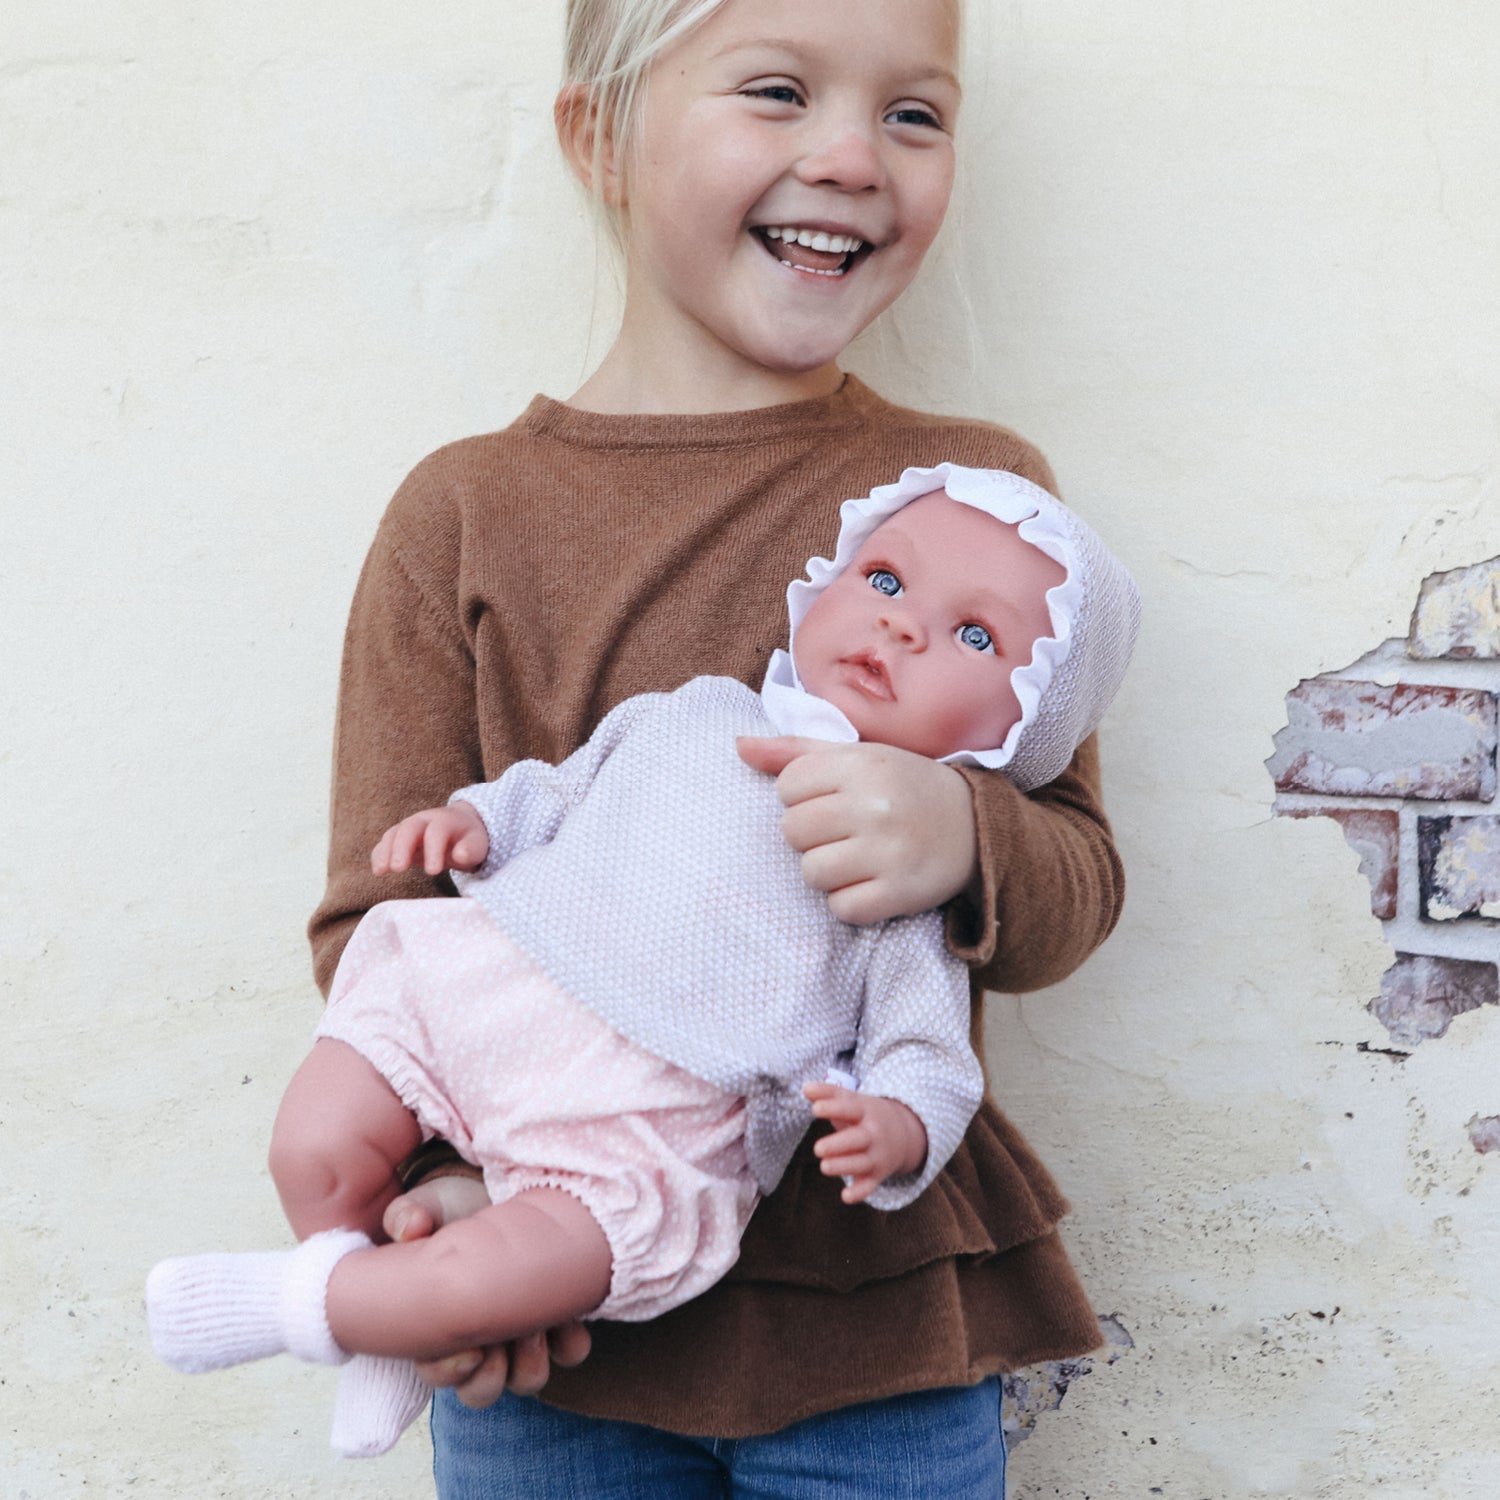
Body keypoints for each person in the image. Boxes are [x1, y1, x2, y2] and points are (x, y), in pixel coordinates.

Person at [167, 0, 1131, 1489]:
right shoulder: (465, 513)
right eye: (777, 89)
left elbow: (1073, 882)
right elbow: (383, 918)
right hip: (552, 1331)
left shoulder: (976, 506)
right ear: (599, 138)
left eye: (913, 114)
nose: (852, 158)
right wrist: (444, 1191)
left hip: (867, 1326)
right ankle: (338, 1309)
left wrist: (958, 834)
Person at [146, 468, 1140, 1462]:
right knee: (313, 1148)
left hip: (642, 1124)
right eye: (883, 580)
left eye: (976, 636)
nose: (906, 627)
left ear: (1016, 729)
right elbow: (553, 793)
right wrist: (470, 822)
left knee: (474, 1280)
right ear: (820, 586)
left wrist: (899, 1126)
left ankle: (299, 1309)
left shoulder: (902, 887)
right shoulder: (698, 707)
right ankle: (385, 1330)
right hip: (490, 989)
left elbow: (928, 1052)